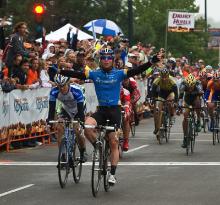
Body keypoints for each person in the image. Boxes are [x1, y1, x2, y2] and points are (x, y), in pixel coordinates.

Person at [59, 48, 161, 185]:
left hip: (114, 110)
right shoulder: (94, 74)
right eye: (103, 58)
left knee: (113, 141)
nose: (106, 60)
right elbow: (77, 74)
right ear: (100, 60)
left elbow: (136, 71)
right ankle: (98, 147)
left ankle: (112, 174)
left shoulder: (119, 73)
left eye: (108, 58)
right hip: (101, 110)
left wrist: (151, 62)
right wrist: (59, 71)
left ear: (112, 60)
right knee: (87, 127)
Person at [48, 74, 87, 163]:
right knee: (60, 128)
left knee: (77, 131)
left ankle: (83, 151)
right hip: (66, 109)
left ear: (68, 83)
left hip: (78, 109)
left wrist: (80, 122)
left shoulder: (76, 91)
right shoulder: (54, 92)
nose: (61, 88)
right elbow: (51, 108)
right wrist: (50, 122)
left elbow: (81, 110)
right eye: (59, 86)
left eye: (63, 85)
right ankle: (63, 155)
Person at [151, 67, 178, 141]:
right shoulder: (157, 80)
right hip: (162, 93)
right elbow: (153, 90)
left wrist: (175, 101)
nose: (164, 79)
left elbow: (176, 92)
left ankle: (172, 115)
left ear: (168, 75)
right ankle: (158, 127)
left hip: (170, 92)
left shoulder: (172, 80)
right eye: (162, 77)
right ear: (160, 76)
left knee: (170, 103)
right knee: (158, 109)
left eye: (165, 77)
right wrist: (153, 98)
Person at [178, 74, 203, 148]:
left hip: (196, 99)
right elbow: (180, 97)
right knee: (185, 116)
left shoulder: (198, 84)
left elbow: (202, 94)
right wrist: (179, 106)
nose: (190, 88)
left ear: (194, 84)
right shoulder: (183, 84)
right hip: (187, 100)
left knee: (198, 102)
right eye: (189, 86)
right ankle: (185, 137)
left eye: (192, 86)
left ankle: (198, 120)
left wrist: (201, 107)